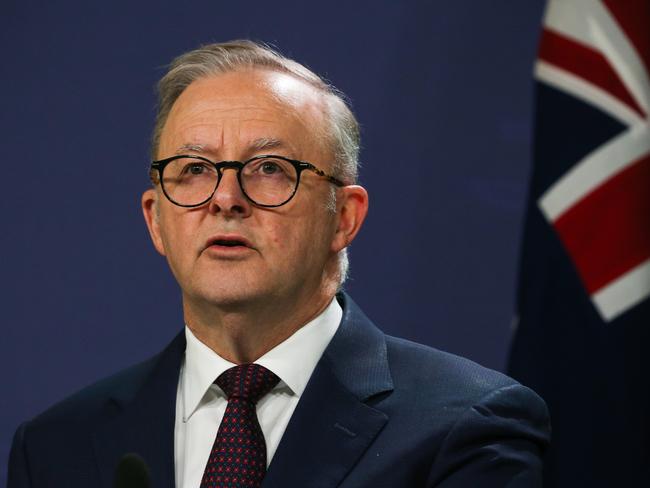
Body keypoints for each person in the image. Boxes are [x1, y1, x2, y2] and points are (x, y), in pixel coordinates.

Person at [7, 40, 550, 487]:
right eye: (194, 169)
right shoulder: (57, 448)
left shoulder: (466, 427)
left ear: (344, 217)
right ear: (156, 220)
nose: (225, 198)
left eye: (269, 167)